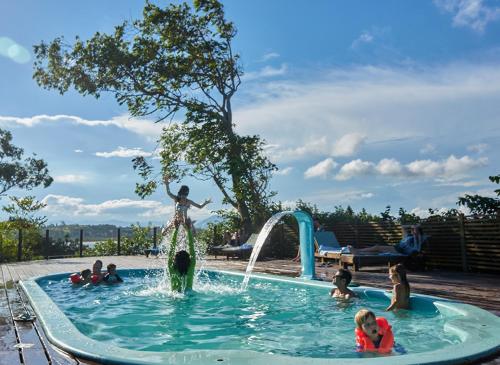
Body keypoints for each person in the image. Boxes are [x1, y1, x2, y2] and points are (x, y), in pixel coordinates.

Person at [348, 225, 423, 255]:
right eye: (412, 229)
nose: (413, 231)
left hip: (398, 250)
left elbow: (416, 249)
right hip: (396, 248)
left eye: (414, 230)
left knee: (377, 247)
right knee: (377, 251)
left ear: (418, 232)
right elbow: (402, 227)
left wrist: (416, 228)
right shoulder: (409, 236)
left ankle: (358, 251)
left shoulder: (416, 238)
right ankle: (359, 253)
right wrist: (412, 226)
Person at [168, 228, 196, 292]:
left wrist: (176, 229)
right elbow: (191, 246)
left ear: (175, 260)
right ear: (189, 260)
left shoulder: (172, 268)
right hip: (189, 296)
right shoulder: (191, 267)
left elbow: (171, 249)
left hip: (174, 296)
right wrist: (189, 229)